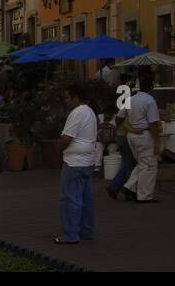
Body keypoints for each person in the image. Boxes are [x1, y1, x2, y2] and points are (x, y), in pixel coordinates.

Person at [57, 83, 99, 244]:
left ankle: (71, 234)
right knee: (86, 198)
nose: (66, 100)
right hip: (87, 161)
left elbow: (67, 137)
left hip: (74, 162)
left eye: (67, 97)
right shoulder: (90, 112)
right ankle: (86, 230)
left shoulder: (77, 113)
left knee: (70, 198)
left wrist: (59, 148)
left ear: (76, 97)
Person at [121, 71, 162, 203]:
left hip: (131, 135)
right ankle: (144, 195)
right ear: (152, 87)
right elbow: (153, 124)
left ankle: (130, 186)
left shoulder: (130, 99)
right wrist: (157, 143)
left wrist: (129, 127)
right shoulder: (150, 101)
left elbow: (120, 116)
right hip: (144, 135)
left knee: (143, 164)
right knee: (149, 166)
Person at [107, 78, 136, 200]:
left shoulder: (128, 104)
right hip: (125, 137)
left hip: (121, 136)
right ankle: (128, 191)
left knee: (126, 164)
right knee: (130, 165)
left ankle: (114, 187)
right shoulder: (130, 104)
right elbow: (119, 119)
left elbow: (118, 119)